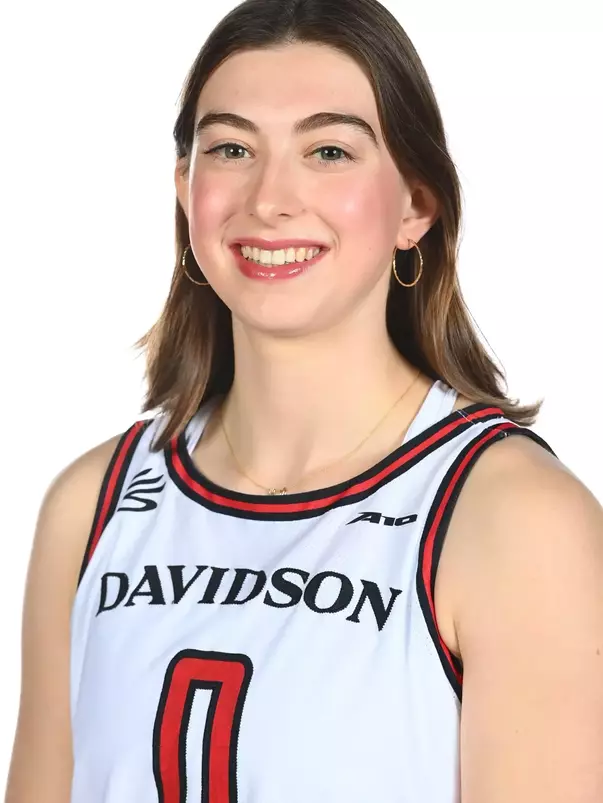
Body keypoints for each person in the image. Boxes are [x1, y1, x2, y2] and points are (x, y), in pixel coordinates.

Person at [5, 0, 603, 801]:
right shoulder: (92, 505)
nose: (269, 199)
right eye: (230, 148)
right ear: (187, 191)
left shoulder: (513, 519)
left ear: (415, 207)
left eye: (327, 150)